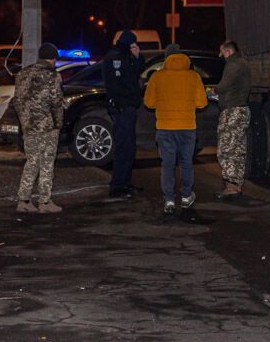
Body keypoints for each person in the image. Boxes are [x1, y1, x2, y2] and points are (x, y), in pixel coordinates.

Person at [143, 48, 207, 213]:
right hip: (187, 127)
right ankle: (186, 196)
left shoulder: (157, 76)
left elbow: (149, 103)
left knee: (167, 164)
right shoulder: (193, 76)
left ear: (166, 58)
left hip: (165, 128)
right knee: (186, 163)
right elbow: (202, 103)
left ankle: (169, 200)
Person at [14, 43, 64, 213]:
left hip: (28, 125)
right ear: (53, 58)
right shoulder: (52, 75)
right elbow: (56, 102)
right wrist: (58, 123)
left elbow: (17, 101)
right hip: (47, 125)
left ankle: (24, 200)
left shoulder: (22, 74)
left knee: (32, 161)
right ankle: (45, 201)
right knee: (47, 162)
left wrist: (24, 120)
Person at [102, 30, 146, 198]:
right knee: (124, 147)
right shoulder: (118, 58)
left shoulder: (116, 55)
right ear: (130, 44)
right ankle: (118, 185)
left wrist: (136, 57)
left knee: (128, 147)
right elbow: (131, 78)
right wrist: (136, 58)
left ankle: (124, 183)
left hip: (124, 107)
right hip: (123, 108)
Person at [214, 40, 251, 197]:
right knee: (237, 149)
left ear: (228, 51)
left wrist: (212, 90)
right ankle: (235, 185)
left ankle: (231, 185)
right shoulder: (242, 63)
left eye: (223, 54)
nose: (223, 57)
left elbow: (224, 85)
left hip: (233, 111)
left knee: (227, 149)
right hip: (240, 110)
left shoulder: (233, 64)